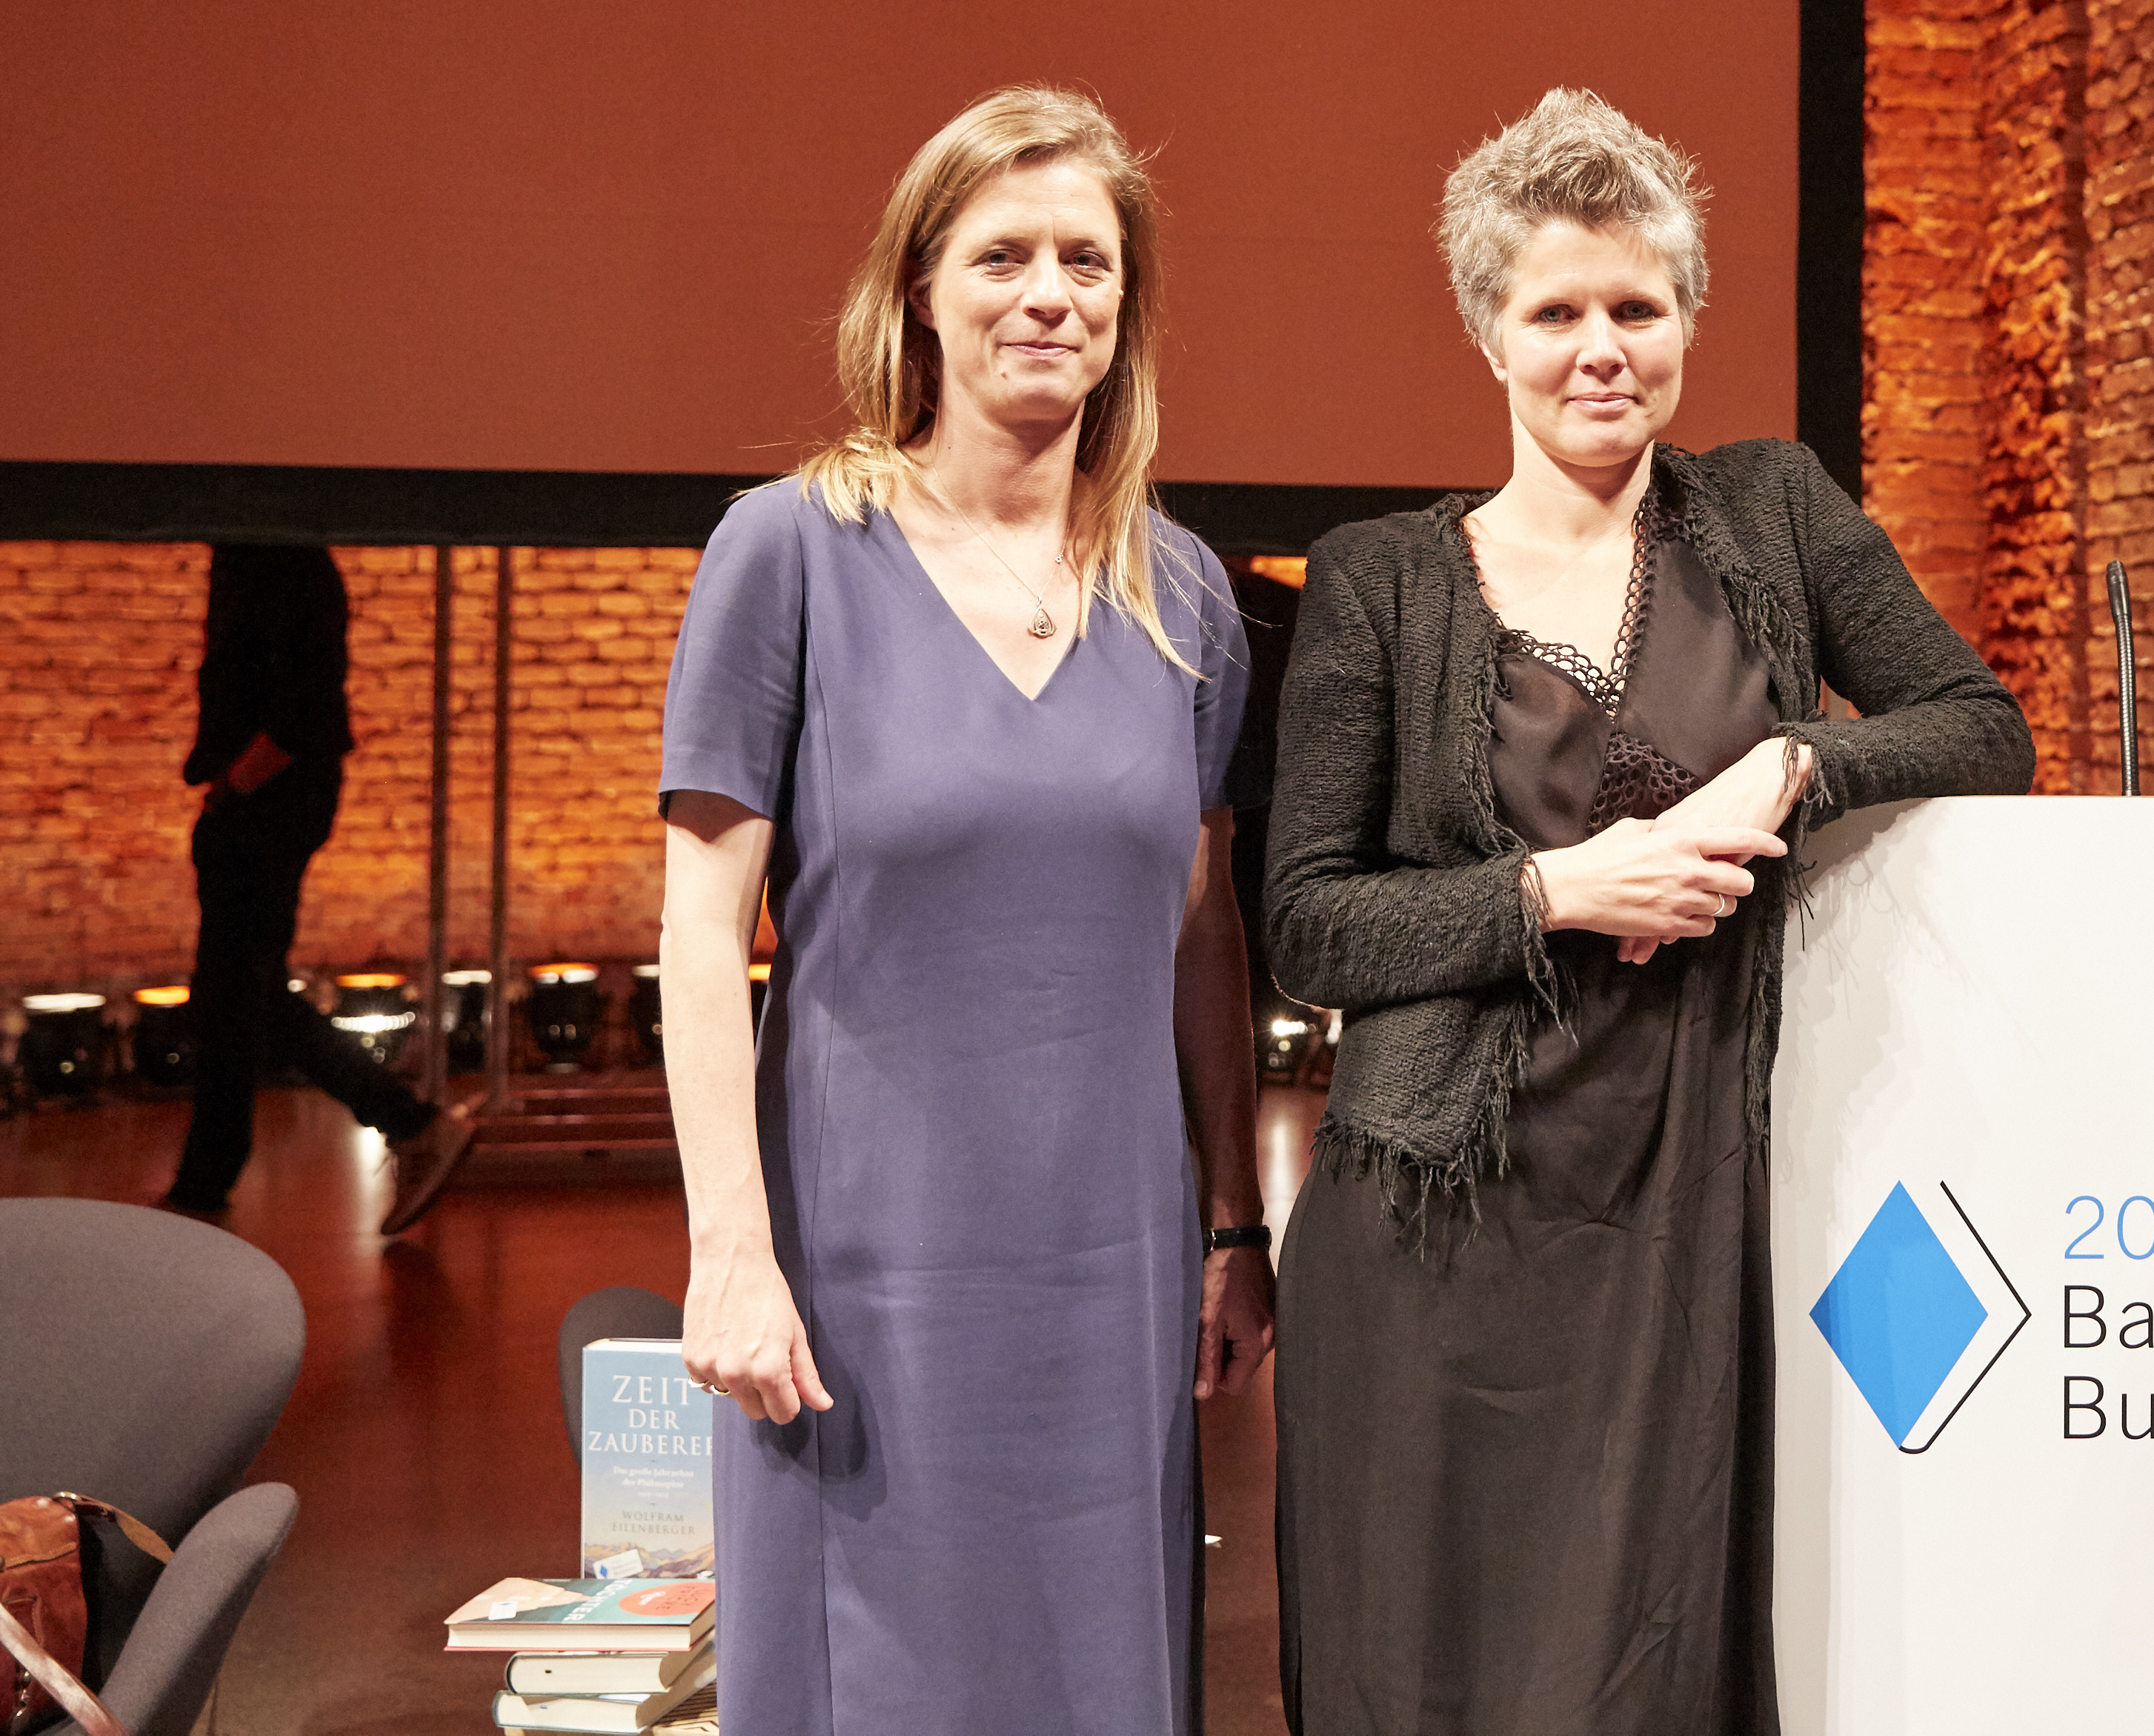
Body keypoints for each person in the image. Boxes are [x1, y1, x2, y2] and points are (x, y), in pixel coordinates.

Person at [1268, 87, 2032, 1735]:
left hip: (1687, 1194)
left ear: (1687, 318)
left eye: (1638, 306)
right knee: (1427, 1666)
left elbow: (1980, 726)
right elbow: (1312, 924)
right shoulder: (1379, 580)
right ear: (1488, 332)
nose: (1600, 349)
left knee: (1651, 1661)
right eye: (1556, 312)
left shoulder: (1772, 509)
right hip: (1436, 1230)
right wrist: (1552, 890)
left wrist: (1785, 765)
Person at [656, 85, 1270, 1736]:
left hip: (1112, 1272)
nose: (1048, 295)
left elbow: (1199, 934)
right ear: (919, 291)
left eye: (1088, 260)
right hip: (860, 1268)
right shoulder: (788, 552)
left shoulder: (1184, 593)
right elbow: (700, 939)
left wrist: (1234, 1224)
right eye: (1002, 256)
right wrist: (730, 1255)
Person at [162, 542, 475, 1232]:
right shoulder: (271, 554)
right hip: (267, 795)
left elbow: (303, 706)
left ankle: (405, 1123)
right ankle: (206, 1183)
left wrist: (237, 786)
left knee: (239, 991)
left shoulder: (278, 558)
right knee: (240, 994)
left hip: (268, 799)